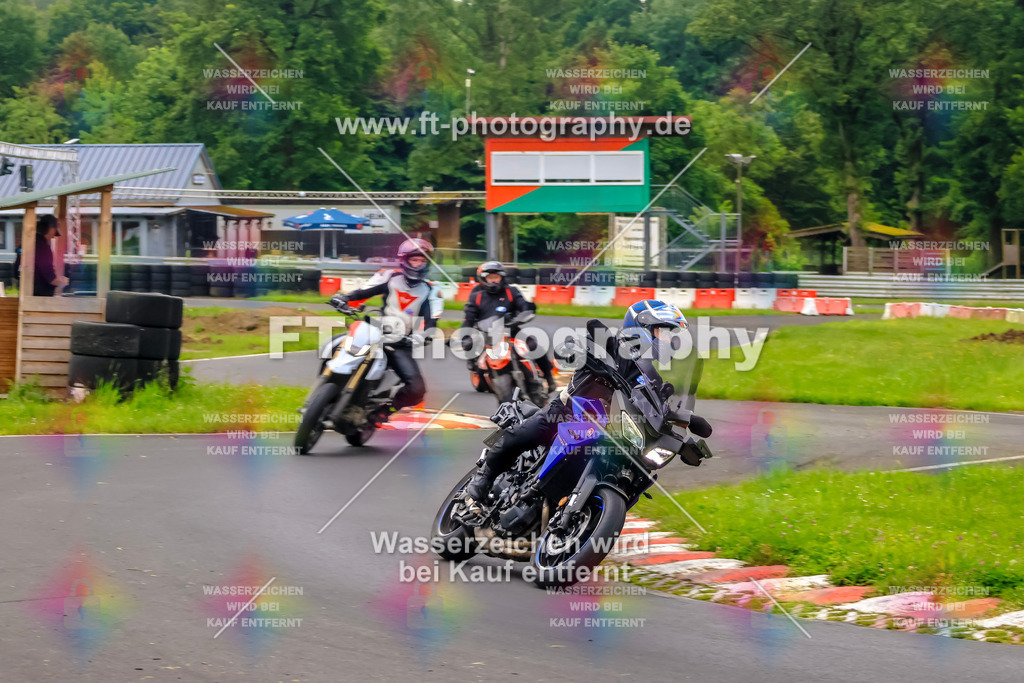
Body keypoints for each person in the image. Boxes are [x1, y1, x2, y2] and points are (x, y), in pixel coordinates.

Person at [464, 299, 689, 510]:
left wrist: (683, 425)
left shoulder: (651, 378)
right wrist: (577, 350)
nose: (669, 341)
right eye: (664, 333)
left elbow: (659, 409)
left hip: (610, 429)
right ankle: (485, 476)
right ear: (643, 327)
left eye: (671, 336)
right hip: (570, 411)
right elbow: (588, 336)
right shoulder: (612, 346)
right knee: (527, 432)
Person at [329, 238, 443, 423]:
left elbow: (431, 325)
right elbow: (361, 293)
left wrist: (421, 338)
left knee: (417, 389)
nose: (418, 264)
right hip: (375, 330)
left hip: (400, 342)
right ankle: (328, 385)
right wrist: (343, 298)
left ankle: (383, 412)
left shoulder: (432, 292)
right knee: (336, 344)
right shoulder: (389, 277)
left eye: (422, 260)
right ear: (405, 260)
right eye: (414, 260)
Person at [462, 261, 558, 394]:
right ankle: (476, 368)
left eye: (496, 277)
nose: (493, 281)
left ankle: (549, 377)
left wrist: (524, 314)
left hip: (511, 330)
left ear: (502, 278)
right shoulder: (476, 296)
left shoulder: (511, 291)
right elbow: (468, 318)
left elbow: (524, 306)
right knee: (471, 346)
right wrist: (466, 336)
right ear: (483, 279)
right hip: (486, 333)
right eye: (490, 278)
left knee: (535, 346)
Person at [24, 215, 67, 296]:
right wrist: (64, 282)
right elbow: (51, 279)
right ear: (51, 229)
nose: (53, 237)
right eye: (54, 234)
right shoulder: (43, 248)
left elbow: (16, 272)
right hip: (39, 298)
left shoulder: (26, 243)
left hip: (25, 294)